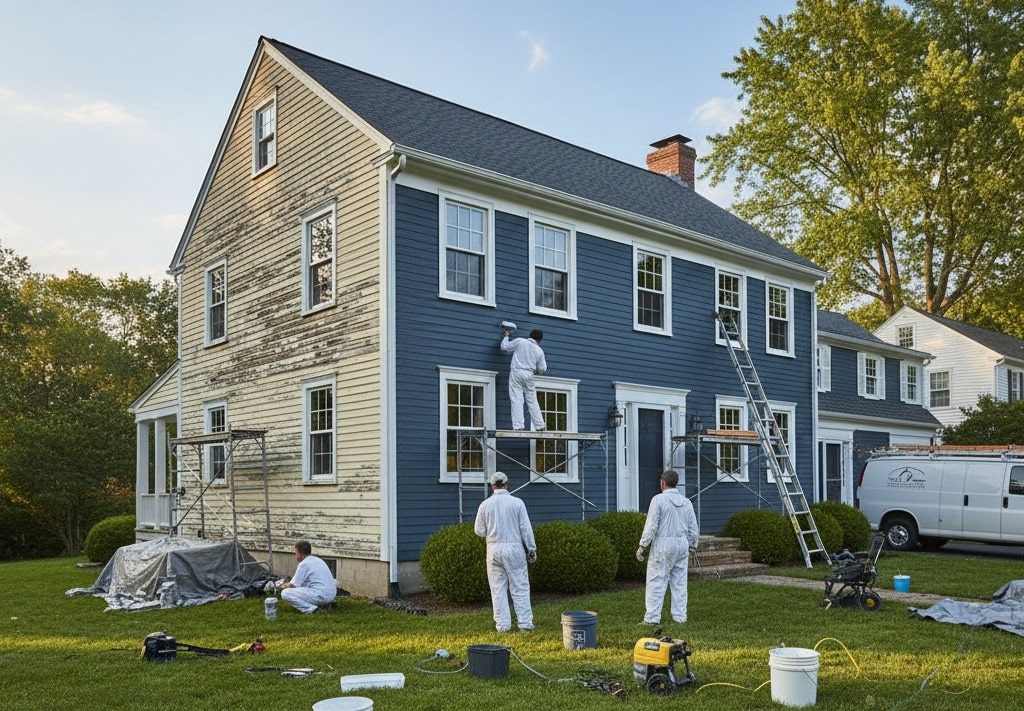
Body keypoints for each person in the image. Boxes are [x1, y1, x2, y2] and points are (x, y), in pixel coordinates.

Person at [474, 471, 537, 632]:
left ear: (492, 486)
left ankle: (502, 625)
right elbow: (525, 529)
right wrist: (531, 548)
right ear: (507, 484)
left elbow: (479, 530)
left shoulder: (485, 505)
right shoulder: (517, 503)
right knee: (520, 586)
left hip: (493, 548)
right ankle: (525, 624)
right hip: (514, 547)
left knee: (497, 588)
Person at [636, 470, 699, 625]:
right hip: (682, 544)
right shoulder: (687, 502)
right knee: (679, 582)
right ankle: (680, 617)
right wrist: (693, 546)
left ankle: (652, 618)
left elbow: (651, 525)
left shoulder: (658, 500)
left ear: (662, 482)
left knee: (657, 580)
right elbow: (693, 528)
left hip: (663, 544)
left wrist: (643, 545)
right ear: (676, 483)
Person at [500, 328, 547, 431]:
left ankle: (518, 426)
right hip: (529, 374)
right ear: (539, 340)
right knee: (532, 400)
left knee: (516, 398)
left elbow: (504, 347)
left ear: (529, 336)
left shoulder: (520, 341)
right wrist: (537, 371)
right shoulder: (539, 350)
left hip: (516, 371)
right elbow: (542, 369)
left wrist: (506, 336)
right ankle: (540, 425)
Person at [279, 540, 337, 614]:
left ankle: (313, 609)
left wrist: (281, 586)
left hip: (322, 595)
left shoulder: (304, 564)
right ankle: (327, 604)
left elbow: (293, 585)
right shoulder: (318, 560)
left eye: (296, 553)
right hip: (332, 594)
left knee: (285, 593)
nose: (295, 556)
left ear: (301, 554)